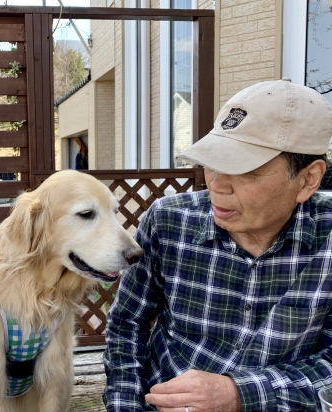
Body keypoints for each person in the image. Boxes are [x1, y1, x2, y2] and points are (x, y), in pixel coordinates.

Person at [103, 78, 332, 412]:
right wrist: (124, 406)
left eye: (247, 170)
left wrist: (240, 394)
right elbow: (127, 324)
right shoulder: (169, 221)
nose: (216, 185)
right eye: (214, 161)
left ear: (308, 179)